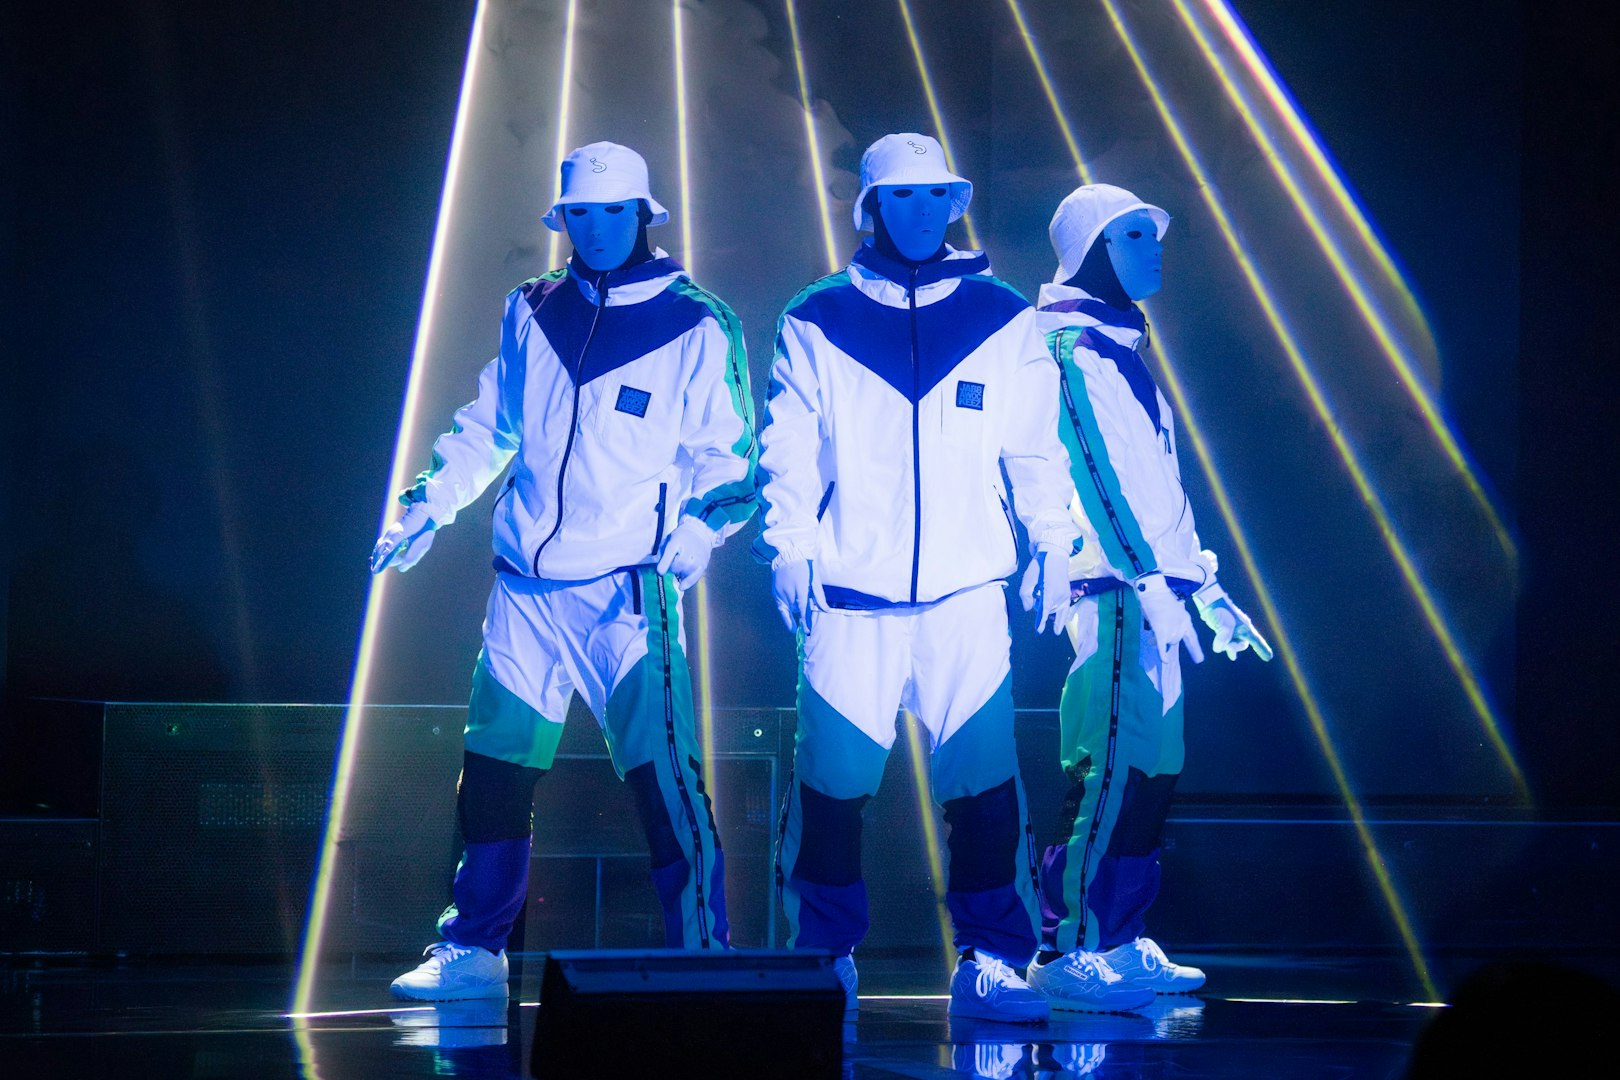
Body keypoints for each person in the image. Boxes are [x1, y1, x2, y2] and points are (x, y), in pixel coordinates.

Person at [371, 141, 756, 1000]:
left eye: (613, 210)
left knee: (664, 777)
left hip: (627, 592)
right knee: (497, 771)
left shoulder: (699, 320)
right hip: (522, 591)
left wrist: (701, 529)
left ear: (643, 215)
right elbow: (490, 425)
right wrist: (428, 503)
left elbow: (731, 459)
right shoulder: (530, 309)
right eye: (580, 211)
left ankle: (700, 949)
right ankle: (473, 949)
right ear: (564, 219)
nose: (596, 226)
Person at [757, 132, 1078, 1022]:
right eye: (897, 196)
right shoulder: (815, 316)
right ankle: (821, 960)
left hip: (967, 598)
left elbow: (1034, 447)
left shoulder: (1003, 314)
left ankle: (992, 961)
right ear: (869, 207)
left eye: (932, 194)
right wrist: (788, 541)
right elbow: (787, 447)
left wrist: (1054, 538)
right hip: (849, 598)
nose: (918, 210)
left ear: (953, 201)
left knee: (983, 791)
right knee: (829, 794)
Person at [1025, 183, 1272, 1011]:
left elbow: (1157, 486)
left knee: (1154, 768)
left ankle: (1119, 939)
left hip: (1152, 593)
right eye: (1133, 234)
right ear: (1093, 247)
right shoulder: (1070, 351)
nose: (1155, 247)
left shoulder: (1118, 348)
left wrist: (1204, 588)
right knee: (1111, 767)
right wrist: (1148, 582)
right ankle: (1067, 946)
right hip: (1114, 592)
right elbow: (1096, 480)